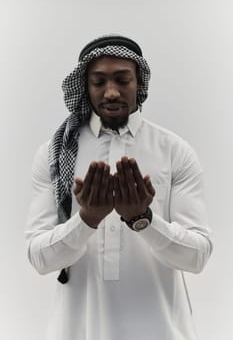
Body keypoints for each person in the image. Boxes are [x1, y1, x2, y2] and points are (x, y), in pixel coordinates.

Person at [25, 34, 213, 340]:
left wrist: (144, 220)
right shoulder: (55, 154)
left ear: (139, 83)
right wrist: (86, 220)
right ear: (85, 87)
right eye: (99, 82)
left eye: (122, 80)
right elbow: (39, 259)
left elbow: (198, 257)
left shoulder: (174, 151)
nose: (111, 92)